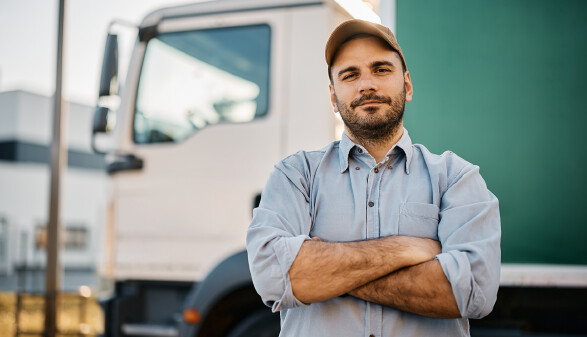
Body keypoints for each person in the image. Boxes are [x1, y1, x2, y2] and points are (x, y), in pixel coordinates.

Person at [246, 19, 501, 337]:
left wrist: (324, 273)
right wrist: (405, 249)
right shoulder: (295, 175)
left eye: (381, 69)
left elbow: (473, 292)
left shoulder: (456, 178)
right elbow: (273, 278)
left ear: (407, 86)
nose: (366, 84)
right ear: (333, 96)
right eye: (350, 75)